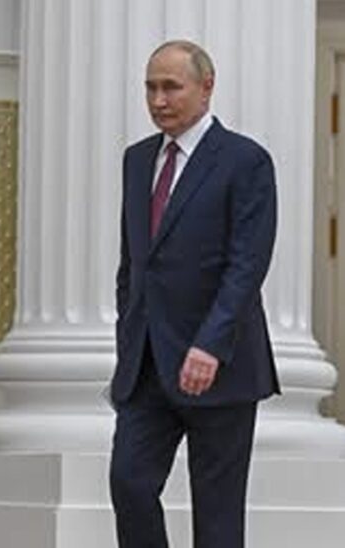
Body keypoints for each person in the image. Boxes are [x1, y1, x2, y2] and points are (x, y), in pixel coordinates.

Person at [111, 40, 279, 548]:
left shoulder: (246, 161)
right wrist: (127, 335)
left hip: (220, 365)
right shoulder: (137, 160)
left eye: (171, 87)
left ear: (206, 87)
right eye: (150, 88)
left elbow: (247, 265)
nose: (158, 100)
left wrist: (210, 344)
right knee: (129, 483)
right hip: (147, 366)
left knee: (218, 516)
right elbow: (134, 263)